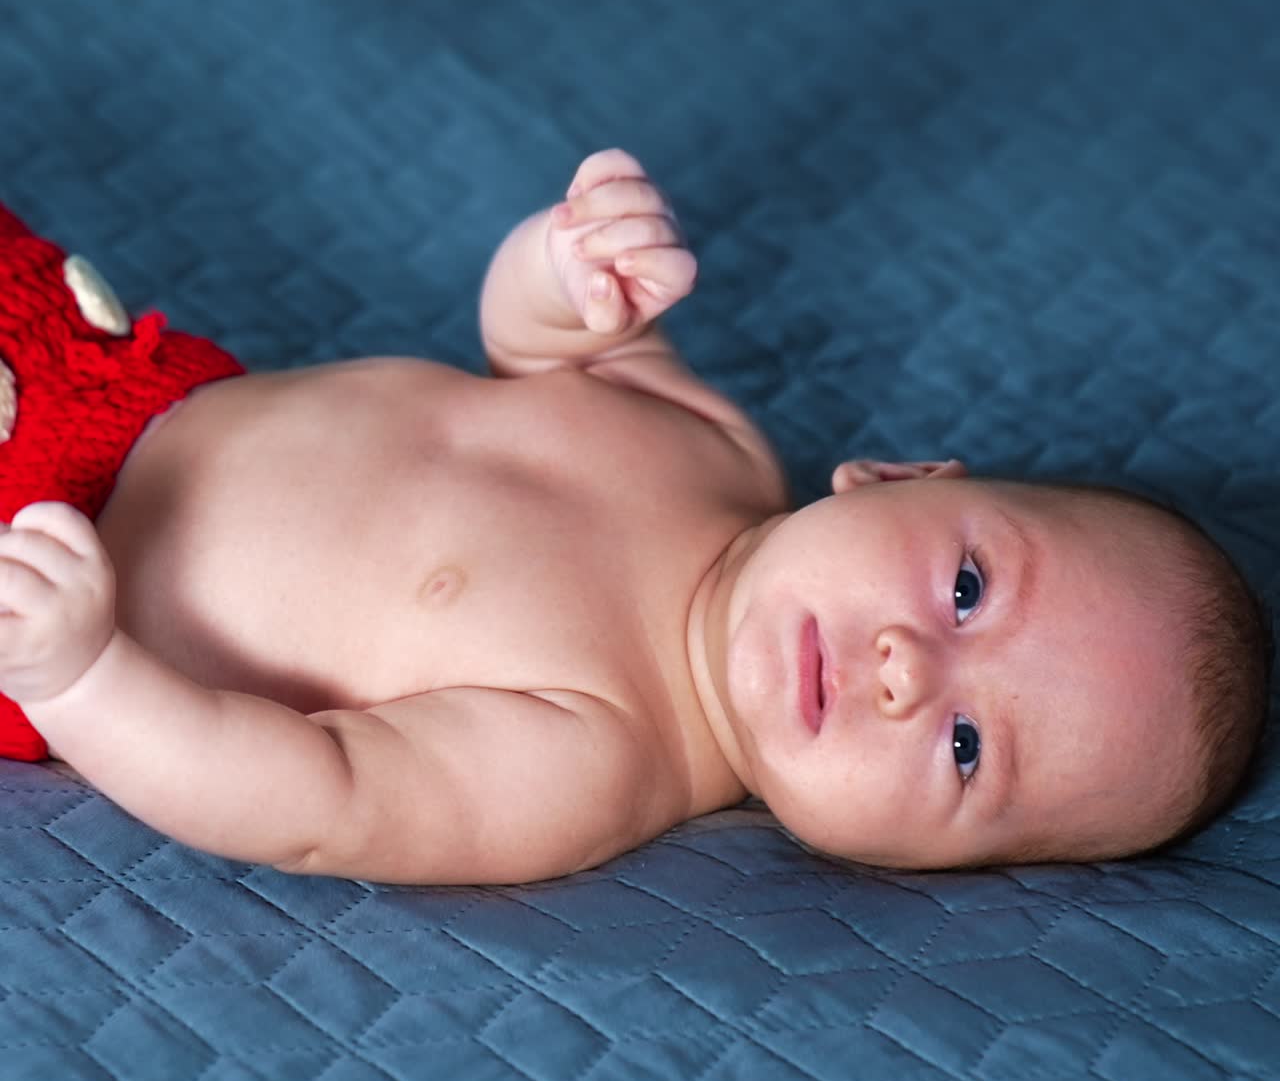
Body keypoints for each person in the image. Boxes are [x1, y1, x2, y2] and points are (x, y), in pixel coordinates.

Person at [0, 150, 1270, 883]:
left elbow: (313, 796)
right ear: (898, 477)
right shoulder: (714, 444)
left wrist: (85, 678)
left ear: (922, 868)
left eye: (963, 751)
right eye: (965, 592)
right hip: (115, 366)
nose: (904, 669)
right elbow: (532, 350)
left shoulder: (594, 759)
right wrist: (570, 271)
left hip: (47, 572)